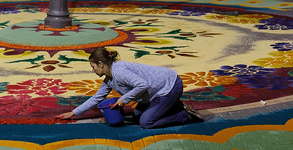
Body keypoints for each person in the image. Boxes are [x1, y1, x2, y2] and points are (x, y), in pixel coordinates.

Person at [54, 47, 200, 129]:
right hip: (152, 93)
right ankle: (173, 106)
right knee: (136, 118)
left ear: (101, 64)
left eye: (93, 67)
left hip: (169, 87)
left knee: (146, 123)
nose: (93, 70)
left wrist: (124, 99)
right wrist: (73, 113)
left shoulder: (119, 72)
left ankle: (185, 115)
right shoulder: (109, 79)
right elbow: (97, 98)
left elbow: (143, 84)